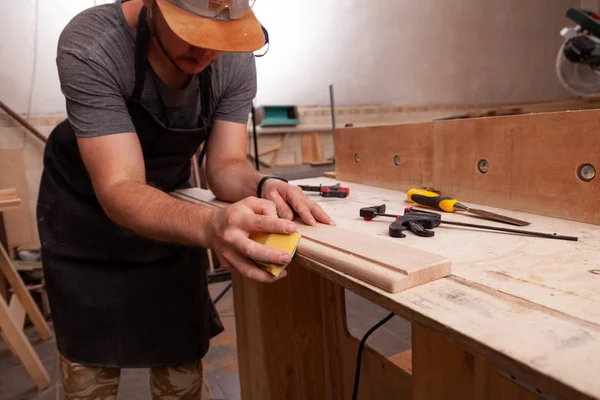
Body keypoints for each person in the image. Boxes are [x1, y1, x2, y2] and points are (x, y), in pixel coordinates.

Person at [36, 0, 334, 398]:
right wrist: (211, 225)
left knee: (181, 373)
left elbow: (224, 165)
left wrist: (263, 184)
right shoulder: (93, 43)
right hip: (86, 226)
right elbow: (120, 187)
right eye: (193, 32)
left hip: (171, 225)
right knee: (89, 383)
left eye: (221, 37)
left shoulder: (232, 59)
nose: (208, 52)